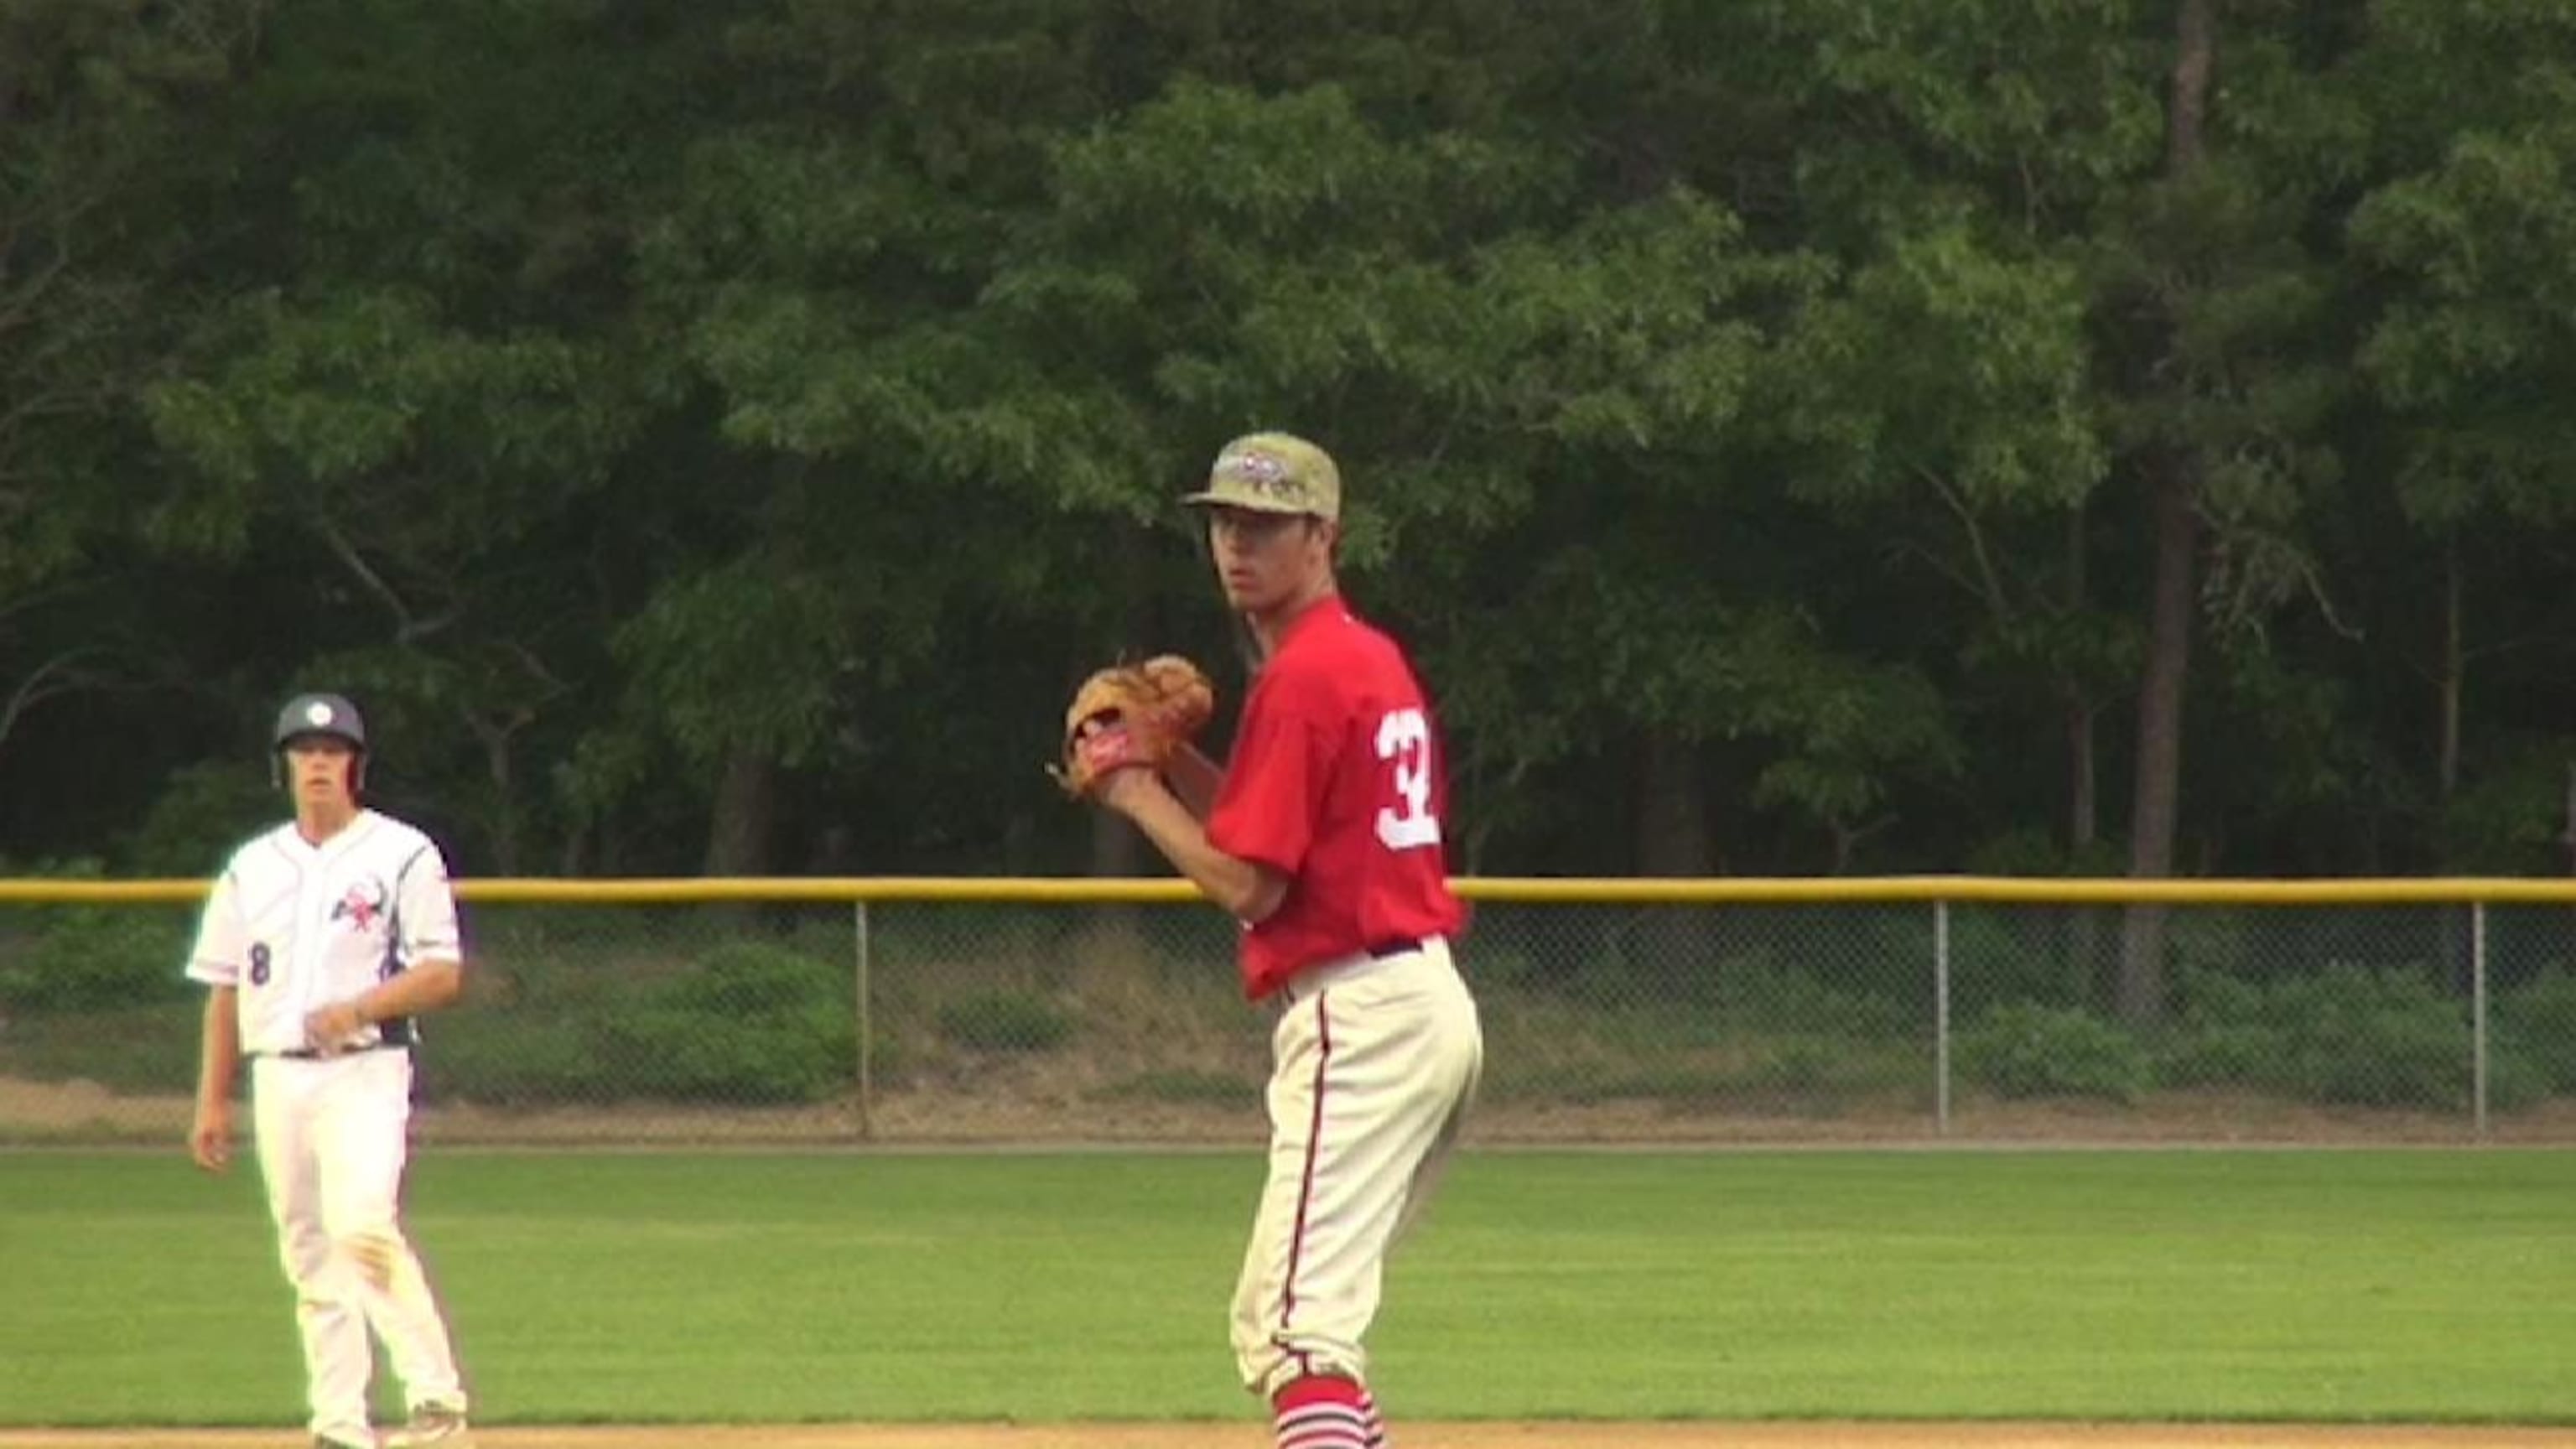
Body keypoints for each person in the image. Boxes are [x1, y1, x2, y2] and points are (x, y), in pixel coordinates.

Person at [1088, 432, 1484, 1449]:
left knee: (1300, 1336)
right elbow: (1279, 840)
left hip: (1364, 1016)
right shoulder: (1360, 659)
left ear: (1323, 536)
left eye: (1265, 524)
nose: (1237, 544)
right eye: (1225, 521)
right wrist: (1178, 764)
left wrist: (1135, 791)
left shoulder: (1307, 677)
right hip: (1417, 1007)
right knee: (1299, 1326)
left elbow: (1250, 886)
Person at [185, 691, 477, 1449]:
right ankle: (340, 1425)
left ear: (356, 765)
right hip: (277, 1075)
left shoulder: (401, 853)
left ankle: (437, 1403)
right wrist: (211, 1101)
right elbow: (224, 987)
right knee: (311, 1256)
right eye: (305, 751)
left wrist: (357, 1007)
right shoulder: (252, 867)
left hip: (364, 1069)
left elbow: (443, 973)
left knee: (361, 1229)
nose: (319, 763)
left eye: (334, 751)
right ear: (282, 766)